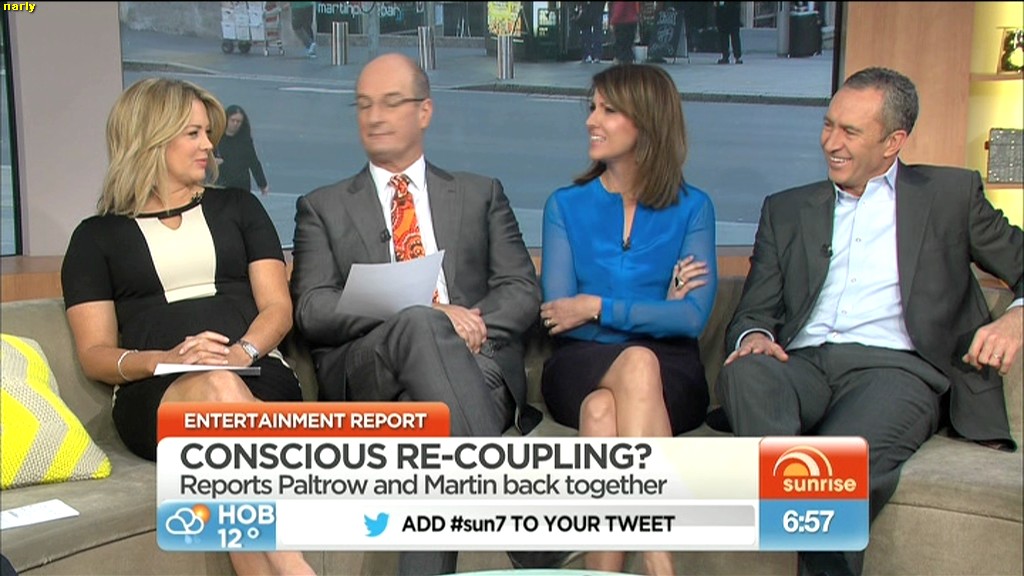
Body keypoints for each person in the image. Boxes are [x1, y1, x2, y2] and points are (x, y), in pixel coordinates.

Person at [716, 67, 1023, 576]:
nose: (830, 143)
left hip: (895, 373)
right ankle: (796, 497)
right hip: (800, 367)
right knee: (745, 371)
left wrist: (1015, 318)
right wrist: (755, 337)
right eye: (828, 125)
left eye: (850, 132)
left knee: (842, 461)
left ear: (893, 142)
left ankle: (797, 511)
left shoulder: (950, 196)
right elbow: (754, 312)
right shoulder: (787, 210)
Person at [289, 52, 542, 576]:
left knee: (430, 431)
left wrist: (466, 326)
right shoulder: (322, 206)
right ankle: (522, 524)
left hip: (475, 366)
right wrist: (427, 311)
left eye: (390, 102)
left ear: (425, 111)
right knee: (420, 322)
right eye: (363, 105)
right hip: (372, 372)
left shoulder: (479, 193)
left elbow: (520, 289)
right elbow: (312, 308)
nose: (374, 116)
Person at [60, 78, 312, 576]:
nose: (209, 146)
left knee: (222, 449)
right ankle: (295, 564)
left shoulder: (239, 209)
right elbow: (95, 353)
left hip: (259, 372)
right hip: (156, 396)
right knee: (218, 392)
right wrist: (167, 360)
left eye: (207, 133)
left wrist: (240, 353)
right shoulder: (96, 238)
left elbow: (277, 309)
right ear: (151, 138)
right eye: (193, 133)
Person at [540, 64, 717, 576]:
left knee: (602, 413)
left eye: (608, 110)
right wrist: (657, 309)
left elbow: (692, 319)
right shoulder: (565, 206)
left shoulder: (693, 208)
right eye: (592, 108)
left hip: (672, 373)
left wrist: (598, 306)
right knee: (635, 361)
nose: (591, 121)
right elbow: (559, 315)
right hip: (580, 364)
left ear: (646, 121)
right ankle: (659, 555)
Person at [215, 104, 270, 195]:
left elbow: (253, 162)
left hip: (241, 185)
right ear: (226, 119)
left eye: (238, 121)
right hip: (221, 184)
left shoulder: (245, 140)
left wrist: (262, 184)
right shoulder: (216, 137)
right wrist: (213, 161)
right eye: (233, 120)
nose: (235, 124)